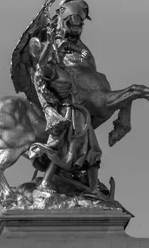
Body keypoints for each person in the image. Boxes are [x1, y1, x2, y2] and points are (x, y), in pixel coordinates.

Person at [27, 32, 103, 195]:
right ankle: (47, 181)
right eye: (52, 50)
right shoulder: (47, 70)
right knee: (64, 149)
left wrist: (76, 49)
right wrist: (48, 43)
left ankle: (93, 188)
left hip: (79, 114)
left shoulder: (60, 67)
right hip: (69, 114)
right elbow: (43, 61)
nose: (56, 51)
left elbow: (64, 47)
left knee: (92, 150)